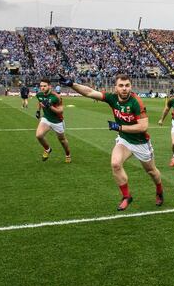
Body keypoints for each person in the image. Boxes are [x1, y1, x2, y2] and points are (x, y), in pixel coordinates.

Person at [60, 74, 164, 211]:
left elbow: (143, 126)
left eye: (127, 85)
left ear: (131, 87)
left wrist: (119, 127)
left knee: (151, 171)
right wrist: (72, 84)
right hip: (124, 140)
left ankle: (159, 191)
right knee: (115, 164)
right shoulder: (112, 98)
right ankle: (127, 196)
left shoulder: (136, 102)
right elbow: (90, 92)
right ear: (116, 87)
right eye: (121, 86)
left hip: (140, 143)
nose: (124, 88)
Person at [35, 78, 71, 163]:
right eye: (41, 86)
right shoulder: (39, 95)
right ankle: (47, 149)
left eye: (44, 86)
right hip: (46, 118)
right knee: (39, 135)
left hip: (57, 121)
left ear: (49, 86)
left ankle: (68, 154)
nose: (42, 88)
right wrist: (38, 111)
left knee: (62, 140)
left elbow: (60, 111)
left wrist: (50, 107)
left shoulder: (56, 97)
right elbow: (40, 102)